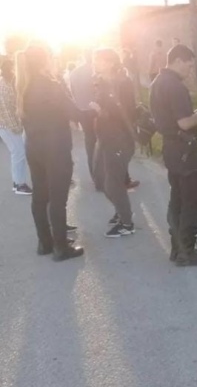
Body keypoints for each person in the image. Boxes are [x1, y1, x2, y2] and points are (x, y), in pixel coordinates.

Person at [150, 43, 197, 266]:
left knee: (177, 199)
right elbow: (185, 122)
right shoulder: (175, 86)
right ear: (177, 61)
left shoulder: (158, 82)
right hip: (185, 151)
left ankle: (177, 248)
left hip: (171, 149)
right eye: (188, 65)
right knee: (193, 201)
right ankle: (187, 251)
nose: (190, 70)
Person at [19, 42, 87, 261]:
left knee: (40, 196)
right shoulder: (50, 84)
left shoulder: (24, 85)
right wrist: (94, 111)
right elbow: (75, 114)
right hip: (55, 148)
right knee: (58, 198)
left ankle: (45, 243)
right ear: (45, 59)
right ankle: (61, 247)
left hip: (33, 146)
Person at [90, 48, 137, 238]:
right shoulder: (101, 82)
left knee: (113, 182)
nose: (95, 63)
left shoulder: (122, 83)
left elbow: (127, 112)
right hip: (104, 137)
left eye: (98, 60)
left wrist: (102, 111)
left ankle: (127, 223)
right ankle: (121, 209)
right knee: (100, 178)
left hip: (119, 138)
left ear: (110, 62)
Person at [69, 50, 101, 190]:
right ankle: (104, 175)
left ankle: (94, 176)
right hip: (95, 110)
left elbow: (73, 93)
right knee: (101, 141)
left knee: (89, 142)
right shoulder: (95, 72)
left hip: (81, 110)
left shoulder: (74, 72)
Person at [0, 58, 32, 195]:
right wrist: (17, 128)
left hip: (6, 125)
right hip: (8, 126)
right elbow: (7, 110)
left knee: (16, 153)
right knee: (19, 153)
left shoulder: (4, 82)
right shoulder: (6, 85)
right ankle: (20, 185)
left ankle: (17, 182)